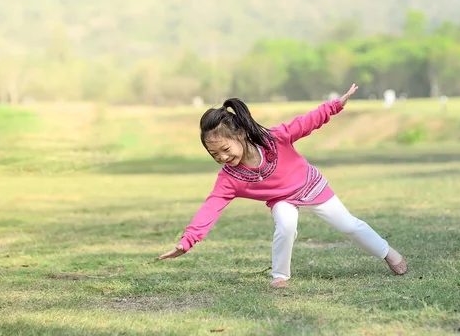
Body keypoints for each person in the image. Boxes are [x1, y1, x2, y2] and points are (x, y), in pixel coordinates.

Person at [158, 84, 407, 288]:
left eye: (225, 149)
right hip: (282, 200)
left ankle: (388, 253)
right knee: (286, 225)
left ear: (242, 134)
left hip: (310, 185)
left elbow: (305, 123)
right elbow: (211, 207)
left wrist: (334, 106)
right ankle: (280, 276)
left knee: (349, 225)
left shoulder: (272, 139)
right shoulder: (229, 177)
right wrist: (188, 240)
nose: (222, 157)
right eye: (214, 154)